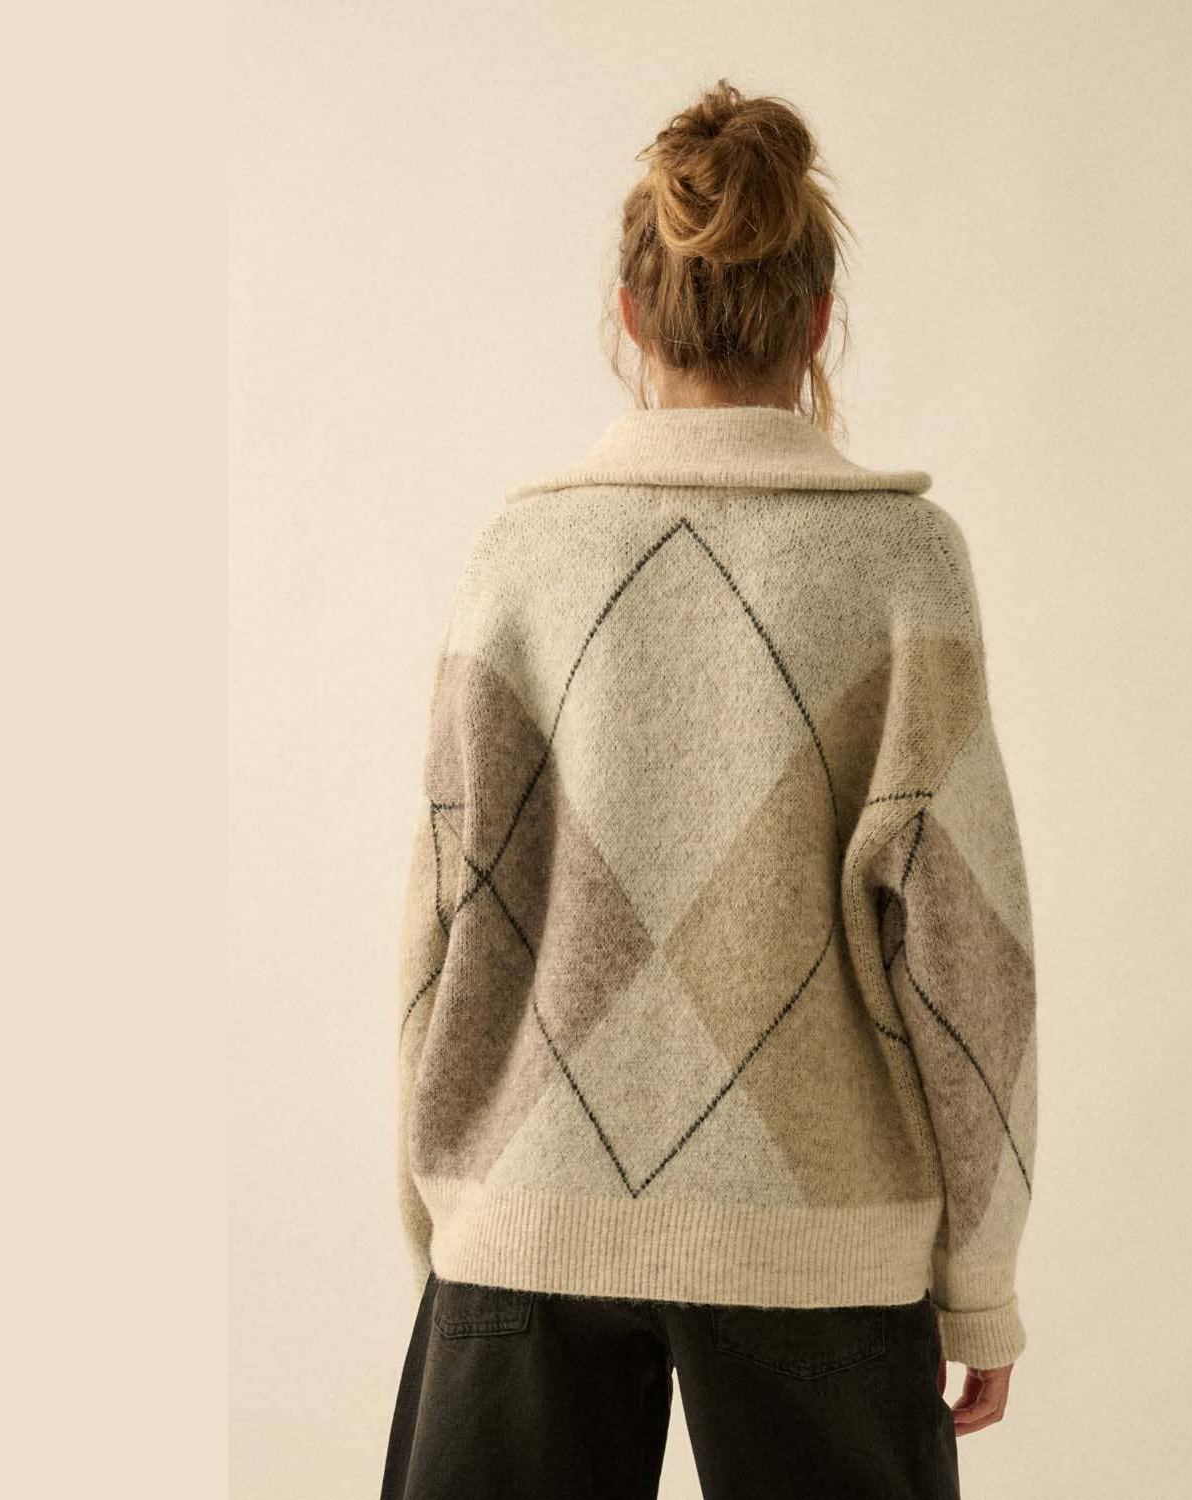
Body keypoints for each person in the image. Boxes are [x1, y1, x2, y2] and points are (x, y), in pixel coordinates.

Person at [380, 77, 1039, 1500]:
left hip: (524, 1214)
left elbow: (446, 902)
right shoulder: (903, 564)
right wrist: (980, 1283)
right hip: (823, 1238)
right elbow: (969, 951)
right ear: (818, 322)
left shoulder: (520, 558)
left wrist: (446, 1212)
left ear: (630, 318)